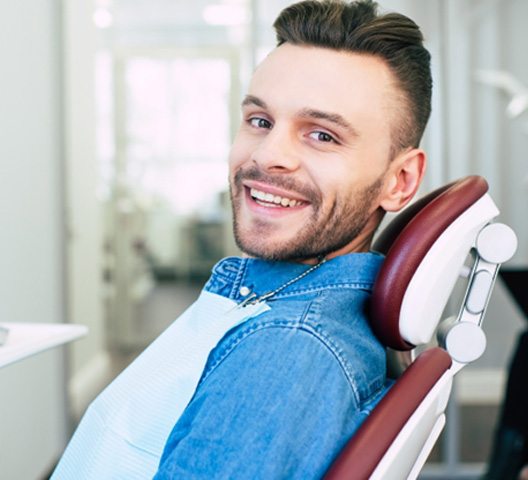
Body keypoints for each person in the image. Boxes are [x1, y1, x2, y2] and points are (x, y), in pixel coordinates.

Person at [52, 1, 432, 478]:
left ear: (398, 180)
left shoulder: (286, 351)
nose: (269, 155)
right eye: (260, 121)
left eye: (322, 135)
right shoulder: (276, 306)